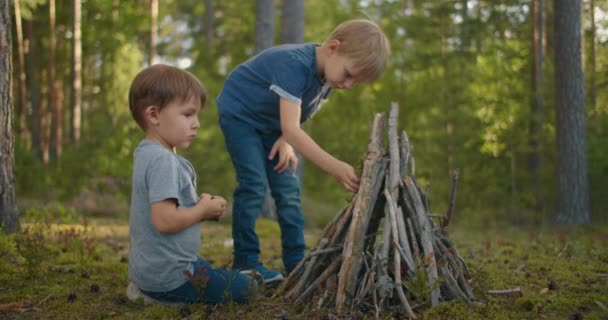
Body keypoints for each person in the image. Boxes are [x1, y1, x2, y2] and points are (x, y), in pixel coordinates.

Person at [216, 19, 390, 285]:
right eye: (349, 74)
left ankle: (296, 263)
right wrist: (333, 165)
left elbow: (296, 118)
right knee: (253, 184)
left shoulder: (327, 80)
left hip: (274, 125)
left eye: (355, 81)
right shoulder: (294, 64)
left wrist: (286, 139)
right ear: (333, 48)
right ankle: (246, 262)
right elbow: (294, 128)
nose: (348, 84)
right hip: (241, 115)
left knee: (288, 191)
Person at [125, 64, 257, 305]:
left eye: (196, 115)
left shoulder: (146, 153)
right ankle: (160, 296)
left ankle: (148, 288)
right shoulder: (163, 160)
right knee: (248, 287)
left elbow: (165, 210)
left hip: (155, 269)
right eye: (187, 114)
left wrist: (199, 205)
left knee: (215, 272)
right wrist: (202, 210)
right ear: (153, 115)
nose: (196, 123)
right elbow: (164, 221)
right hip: (170, 277)